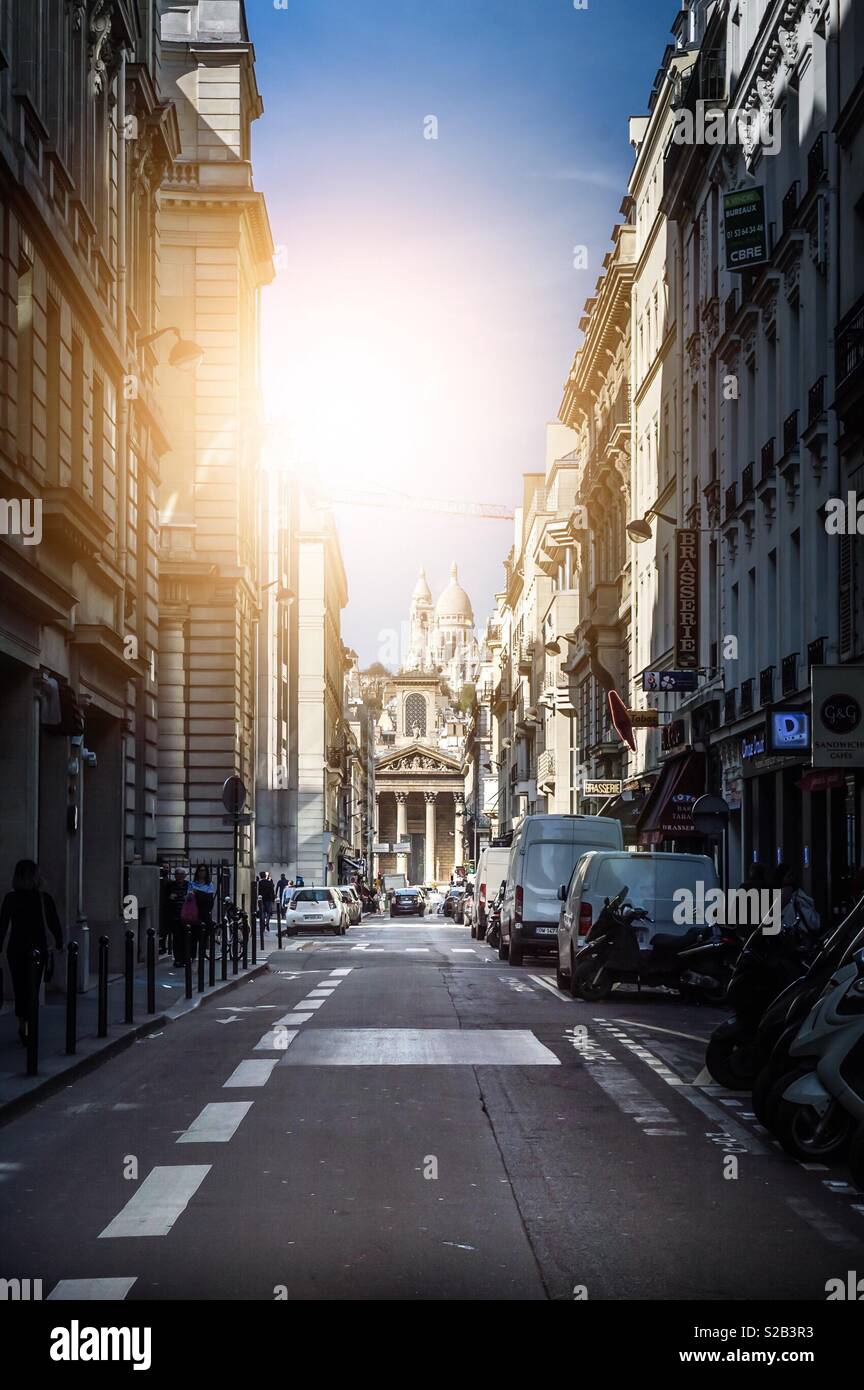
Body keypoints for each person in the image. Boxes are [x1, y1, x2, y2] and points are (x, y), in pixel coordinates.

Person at [0, 860, 64, 1046]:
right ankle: (30, 1026)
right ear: (35, 876)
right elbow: (54, 924)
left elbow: (2, 925)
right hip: (37, 950)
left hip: (16, 950)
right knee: (33, 989)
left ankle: (23, 1025)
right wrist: (59, 942)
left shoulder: (10, 898)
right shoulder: (44, 899)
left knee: (20, 989)